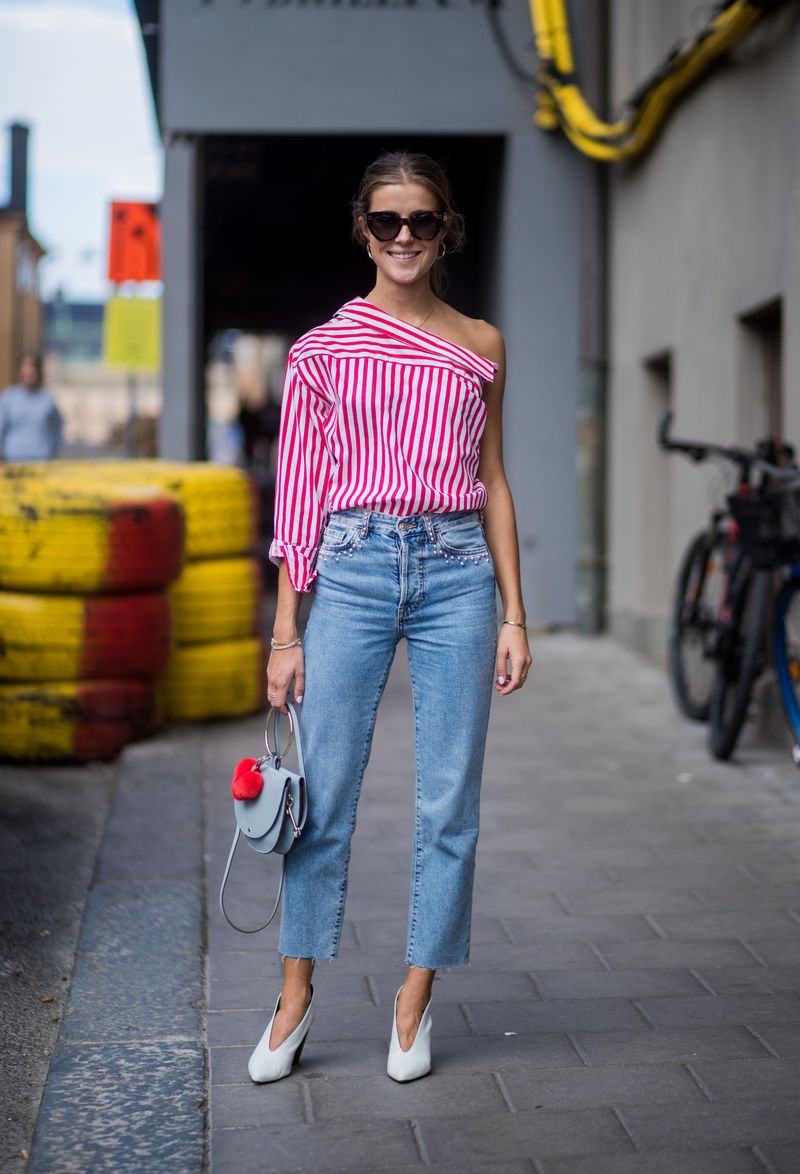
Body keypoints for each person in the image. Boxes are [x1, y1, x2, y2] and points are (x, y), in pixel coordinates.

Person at [255, 151, 532, 1085]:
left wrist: (515, 614)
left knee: (449, 797)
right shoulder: (322, 351)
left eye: (421, 221)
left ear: (445, 229)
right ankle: (296, 993)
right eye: (387, 221)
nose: (404, 237)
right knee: (322, 791)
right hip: (354, 563)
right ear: (364, 230)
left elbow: (492, 480)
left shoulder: (482, 344)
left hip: (459, 568)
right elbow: (298, 494)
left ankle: (416, 995)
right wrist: (286, 633)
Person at [0, 354, 63, 462]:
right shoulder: (8, 397)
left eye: (32, 370)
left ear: (38, 372)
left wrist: (53, 449)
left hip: (41, 460)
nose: (29, 373)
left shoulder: (47, 399)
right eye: (25, 369)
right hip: (13, 459)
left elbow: (58, 426)